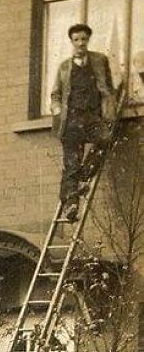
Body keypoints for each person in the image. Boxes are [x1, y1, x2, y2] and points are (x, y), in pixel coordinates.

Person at [50, 23, 115, 222]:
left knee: (106, 139)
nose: (80, 43)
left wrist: (109, 111)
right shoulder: (64, 67)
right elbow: (55, 94)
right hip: (71, 121)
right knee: (71, 163)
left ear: (88, 40)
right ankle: (71, 204)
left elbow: (109, 88)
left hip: (92, 118)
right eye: (76, 40)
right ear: (71, 42)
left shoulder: (99, 61)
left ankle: (84, 174)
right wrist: (57, 110)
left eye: (84, 39)